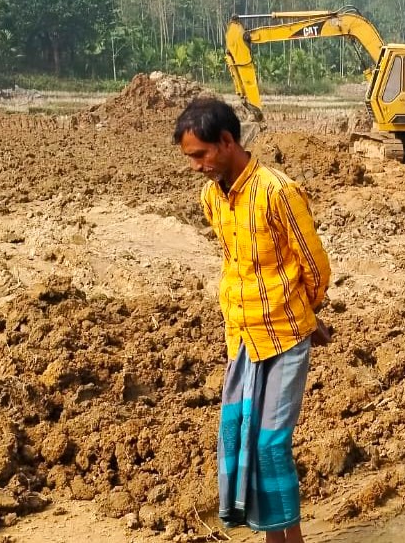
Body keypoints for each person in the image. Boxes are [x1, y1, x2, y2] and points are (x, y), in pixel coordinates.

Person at [173, 97, 331, 543]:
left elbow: (315, 267)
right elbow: (232, 261)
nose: (195, 166)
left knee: (270, 445)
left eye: (200, 155)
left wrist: (303, 313)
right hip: (241, 337)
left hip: (284, 337)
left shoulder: (278, 192)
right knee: (241, 438)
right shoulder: (212, 198)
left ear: (226, 141)